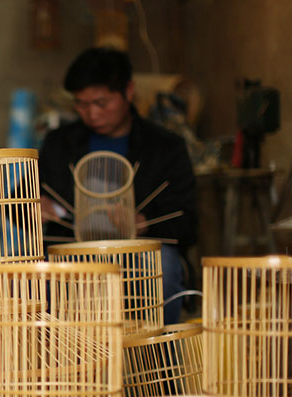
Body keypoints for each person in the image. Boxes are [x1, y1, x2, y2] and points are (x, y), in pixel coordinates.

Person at [39, 47, 197, 323]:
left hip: (138, 254)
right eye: (81, 104)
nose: (92, 113)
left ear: (129, 91)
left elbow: (188, 223)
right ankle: (57, 351)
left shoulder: (164, 147)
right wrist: (32, 206)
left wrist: (144, 223)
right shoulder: (59, 143)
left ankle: (156, 350)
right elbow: (19, 197)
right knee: (21, 274)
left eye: (101, 103)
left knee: (163, 265)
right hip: (70, 251)